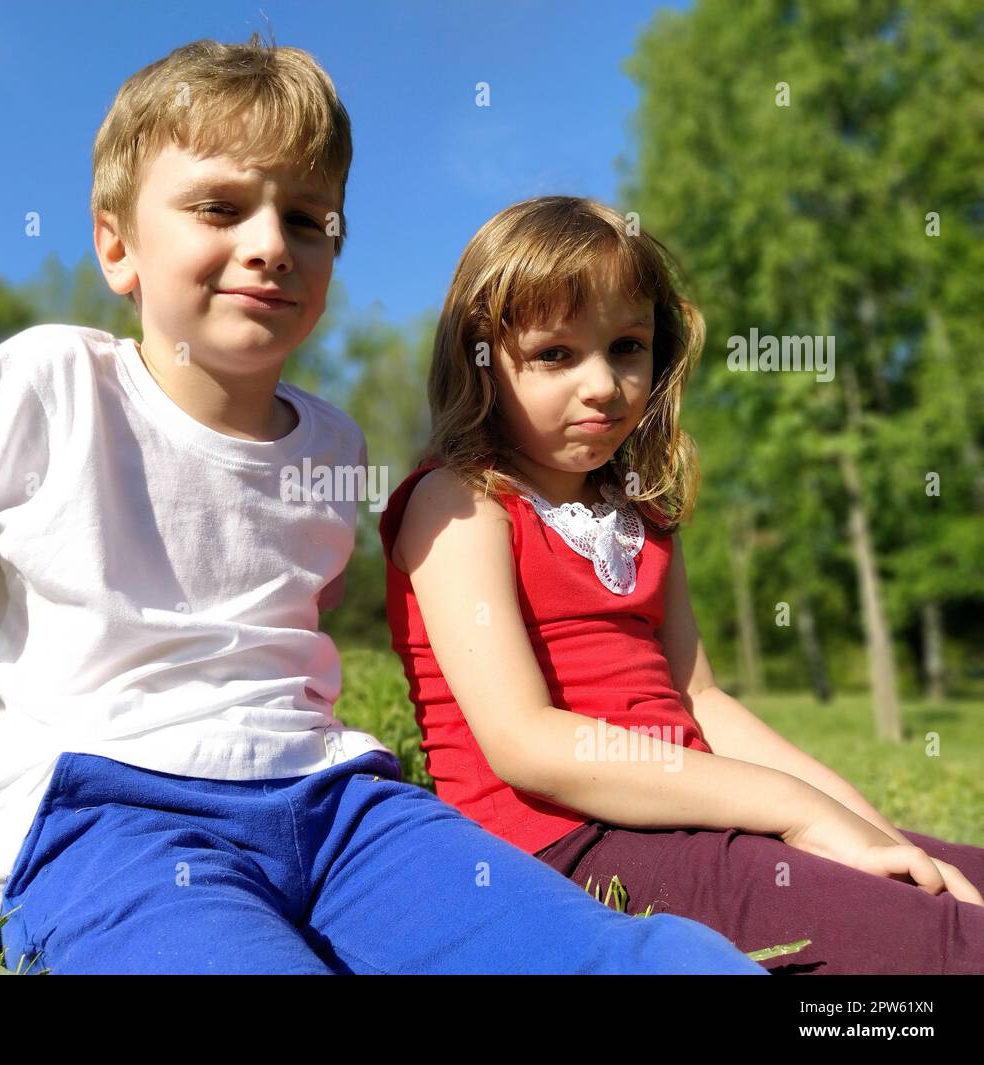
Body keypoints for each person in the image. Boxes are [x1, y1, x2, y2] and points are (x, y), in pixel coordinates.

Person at [0, 37, 763, 976]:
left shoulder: (332, 445)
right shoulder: (50, 386)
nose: (269, 245)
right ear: (117, 248)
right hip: (112, 816)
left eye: (304, 218)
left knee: (628, 957)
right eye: (217, 207)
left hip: (342, 808)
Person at [379, 194, 984, 975]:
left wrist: (870, 829)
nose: (602, 384)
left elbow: (701, 700)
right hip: (565, 846)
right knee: (939, 948)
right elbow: (526, 742)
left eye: (626, 346)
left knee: (948, 879)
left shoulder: (640, 517)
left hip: (688, 812)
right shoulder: (461, 502)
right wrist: (794, 811)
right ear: (481, 362)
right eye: (556, 354)